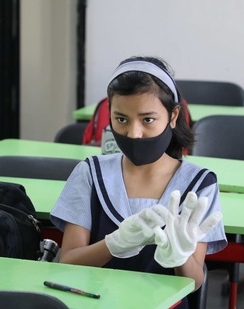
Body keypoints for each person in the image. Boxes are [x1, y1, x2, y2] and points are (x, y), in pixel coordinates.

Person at [50, 56, 227, 307]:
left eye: (148, 120)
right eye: (121, 119)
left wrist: (180, 258)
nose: (133, 133)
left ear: (173, 115)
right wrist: (113, 245)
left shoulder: (199, 184)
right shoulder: (90, 173)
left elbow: (195, 281)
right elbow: (68, 261)